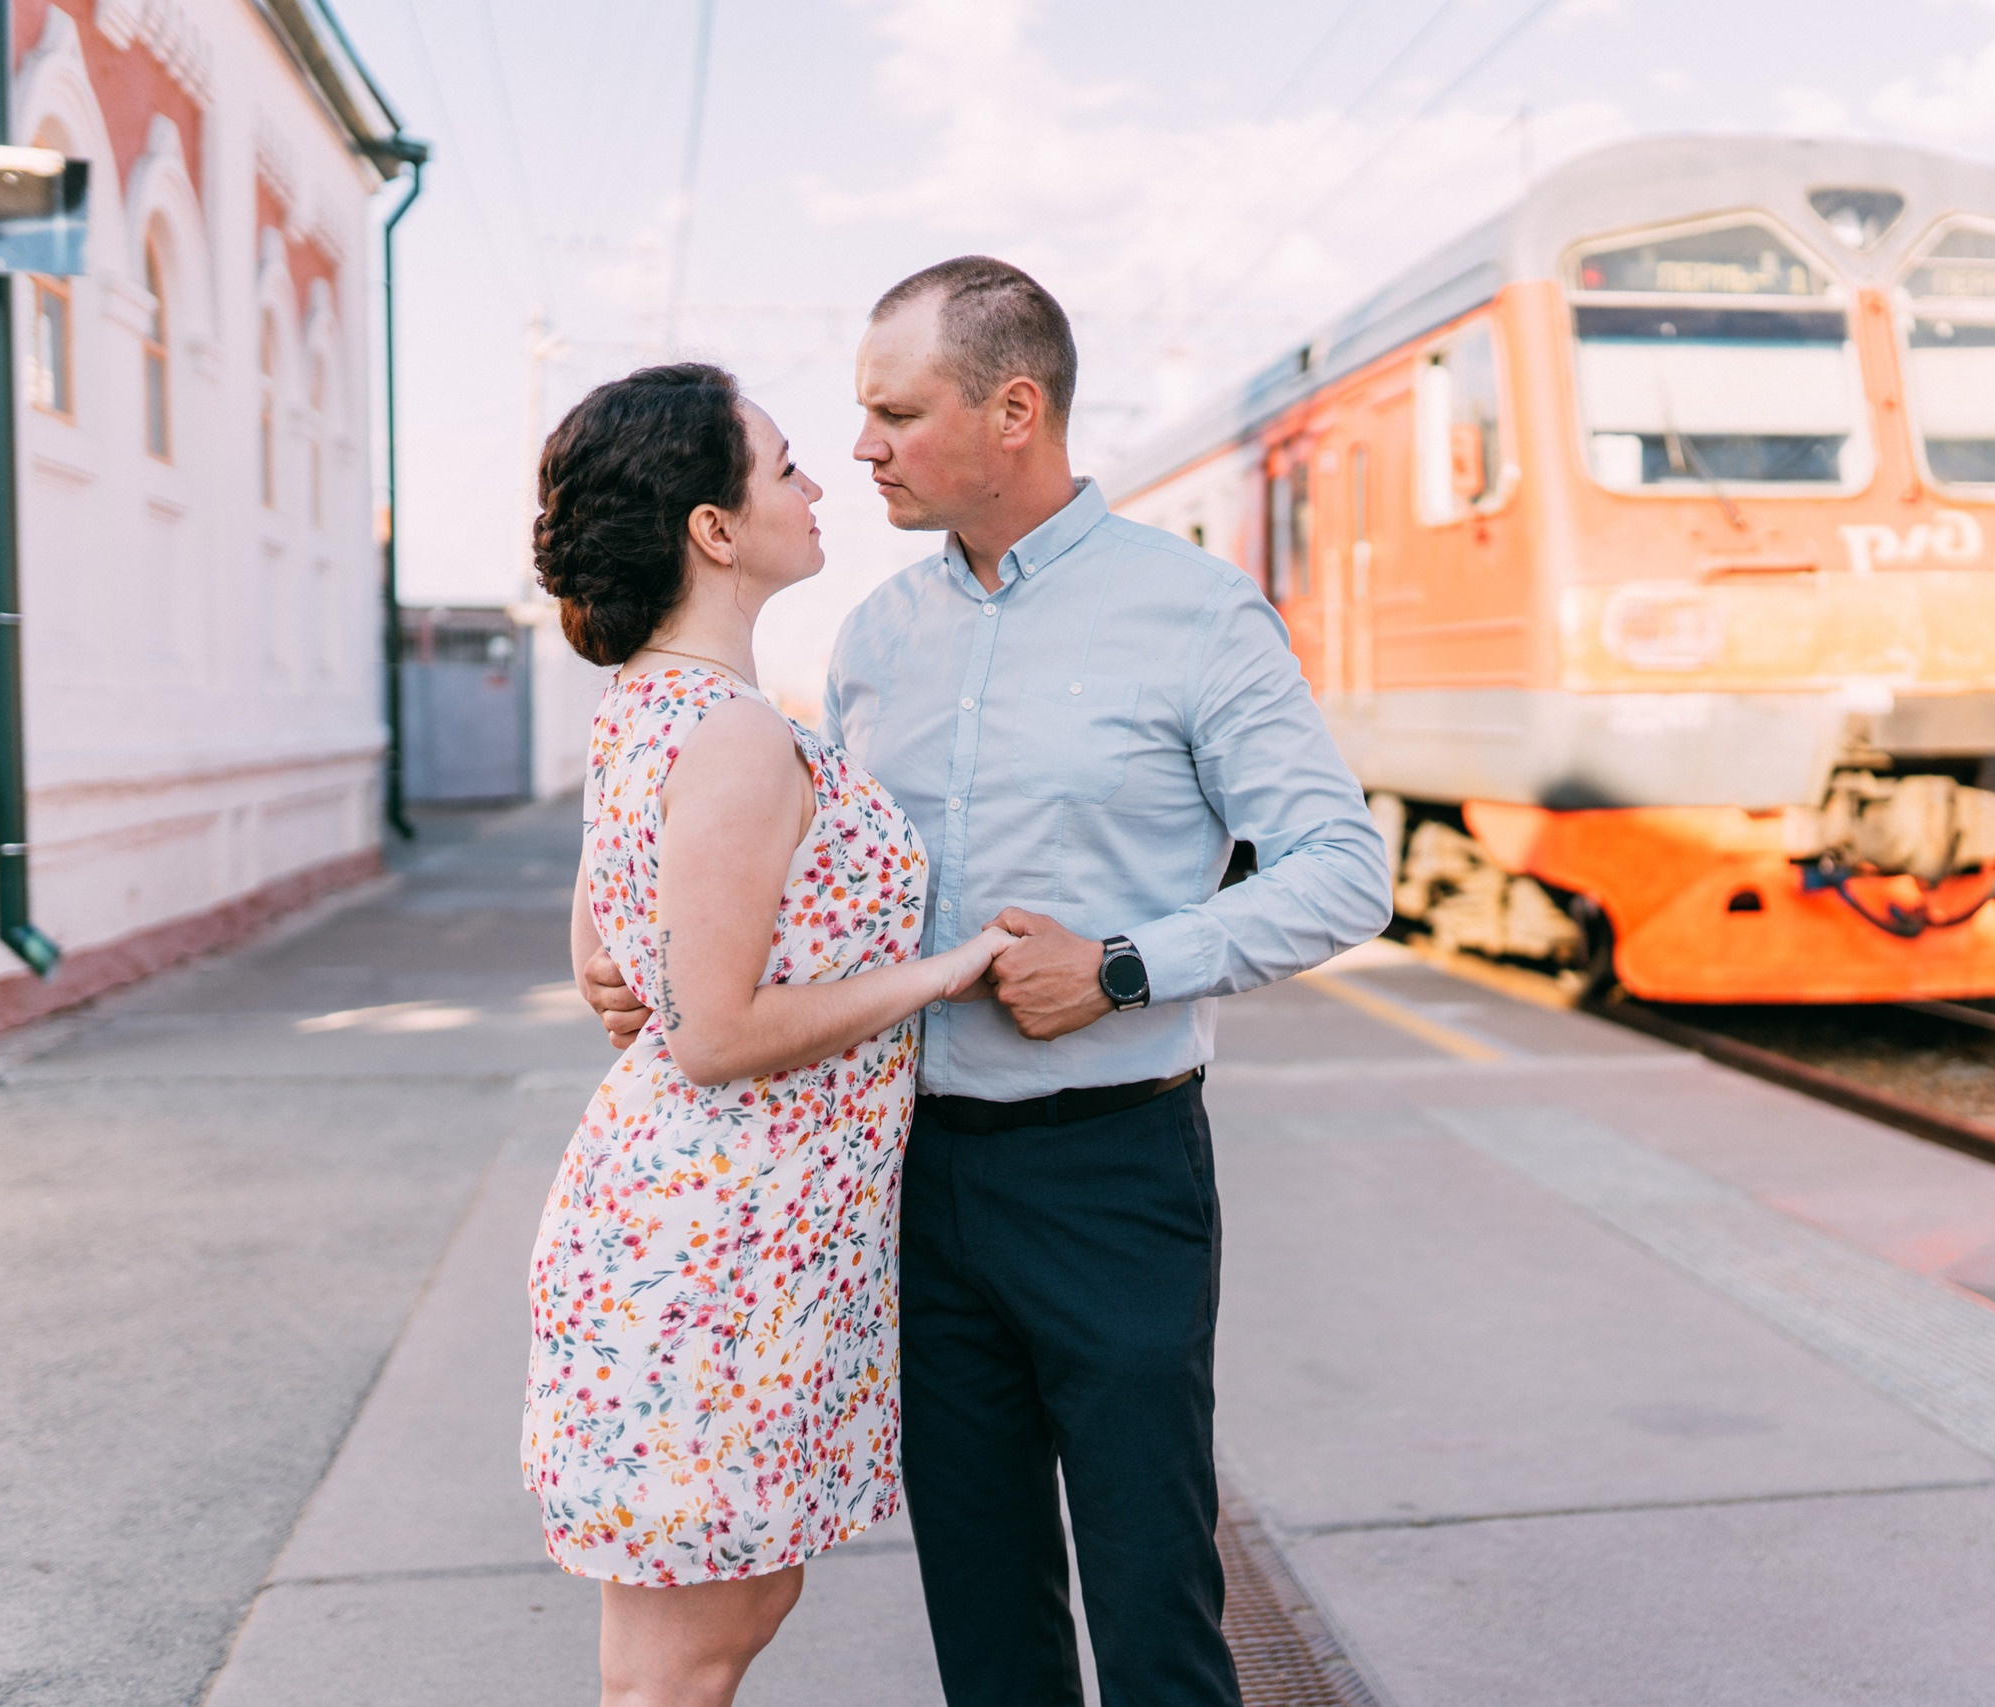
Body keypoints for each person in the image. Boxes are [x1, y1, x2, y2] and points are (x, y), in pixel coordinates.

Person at [583, 258, 1394, 1704]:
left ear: (1013, 410)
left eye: (896, 411)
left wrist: (1128, 964)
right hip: (907, 1174)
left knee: (1153, 1592)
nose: (863, 447)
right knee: (980, 1594)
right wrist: (647, 964)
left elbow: (1344, 867)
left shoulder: (1197, 614)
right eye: (854, 416)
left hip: (1112, 1169)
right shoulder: (877, 638)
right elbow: (806, 894)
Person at [522, 363, 1015, 1707]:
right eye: (784, 464)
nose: (818, 483)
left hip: (702, 1226)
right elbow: (716, 1032)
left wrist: (670, 990)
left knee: (688, 1640)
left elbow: (602, 964)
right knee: (696, 1643)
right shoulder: (731, 731)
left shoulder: (644, 708)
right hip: (721, 1239)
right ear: (713, 528)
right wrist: (945, 969)